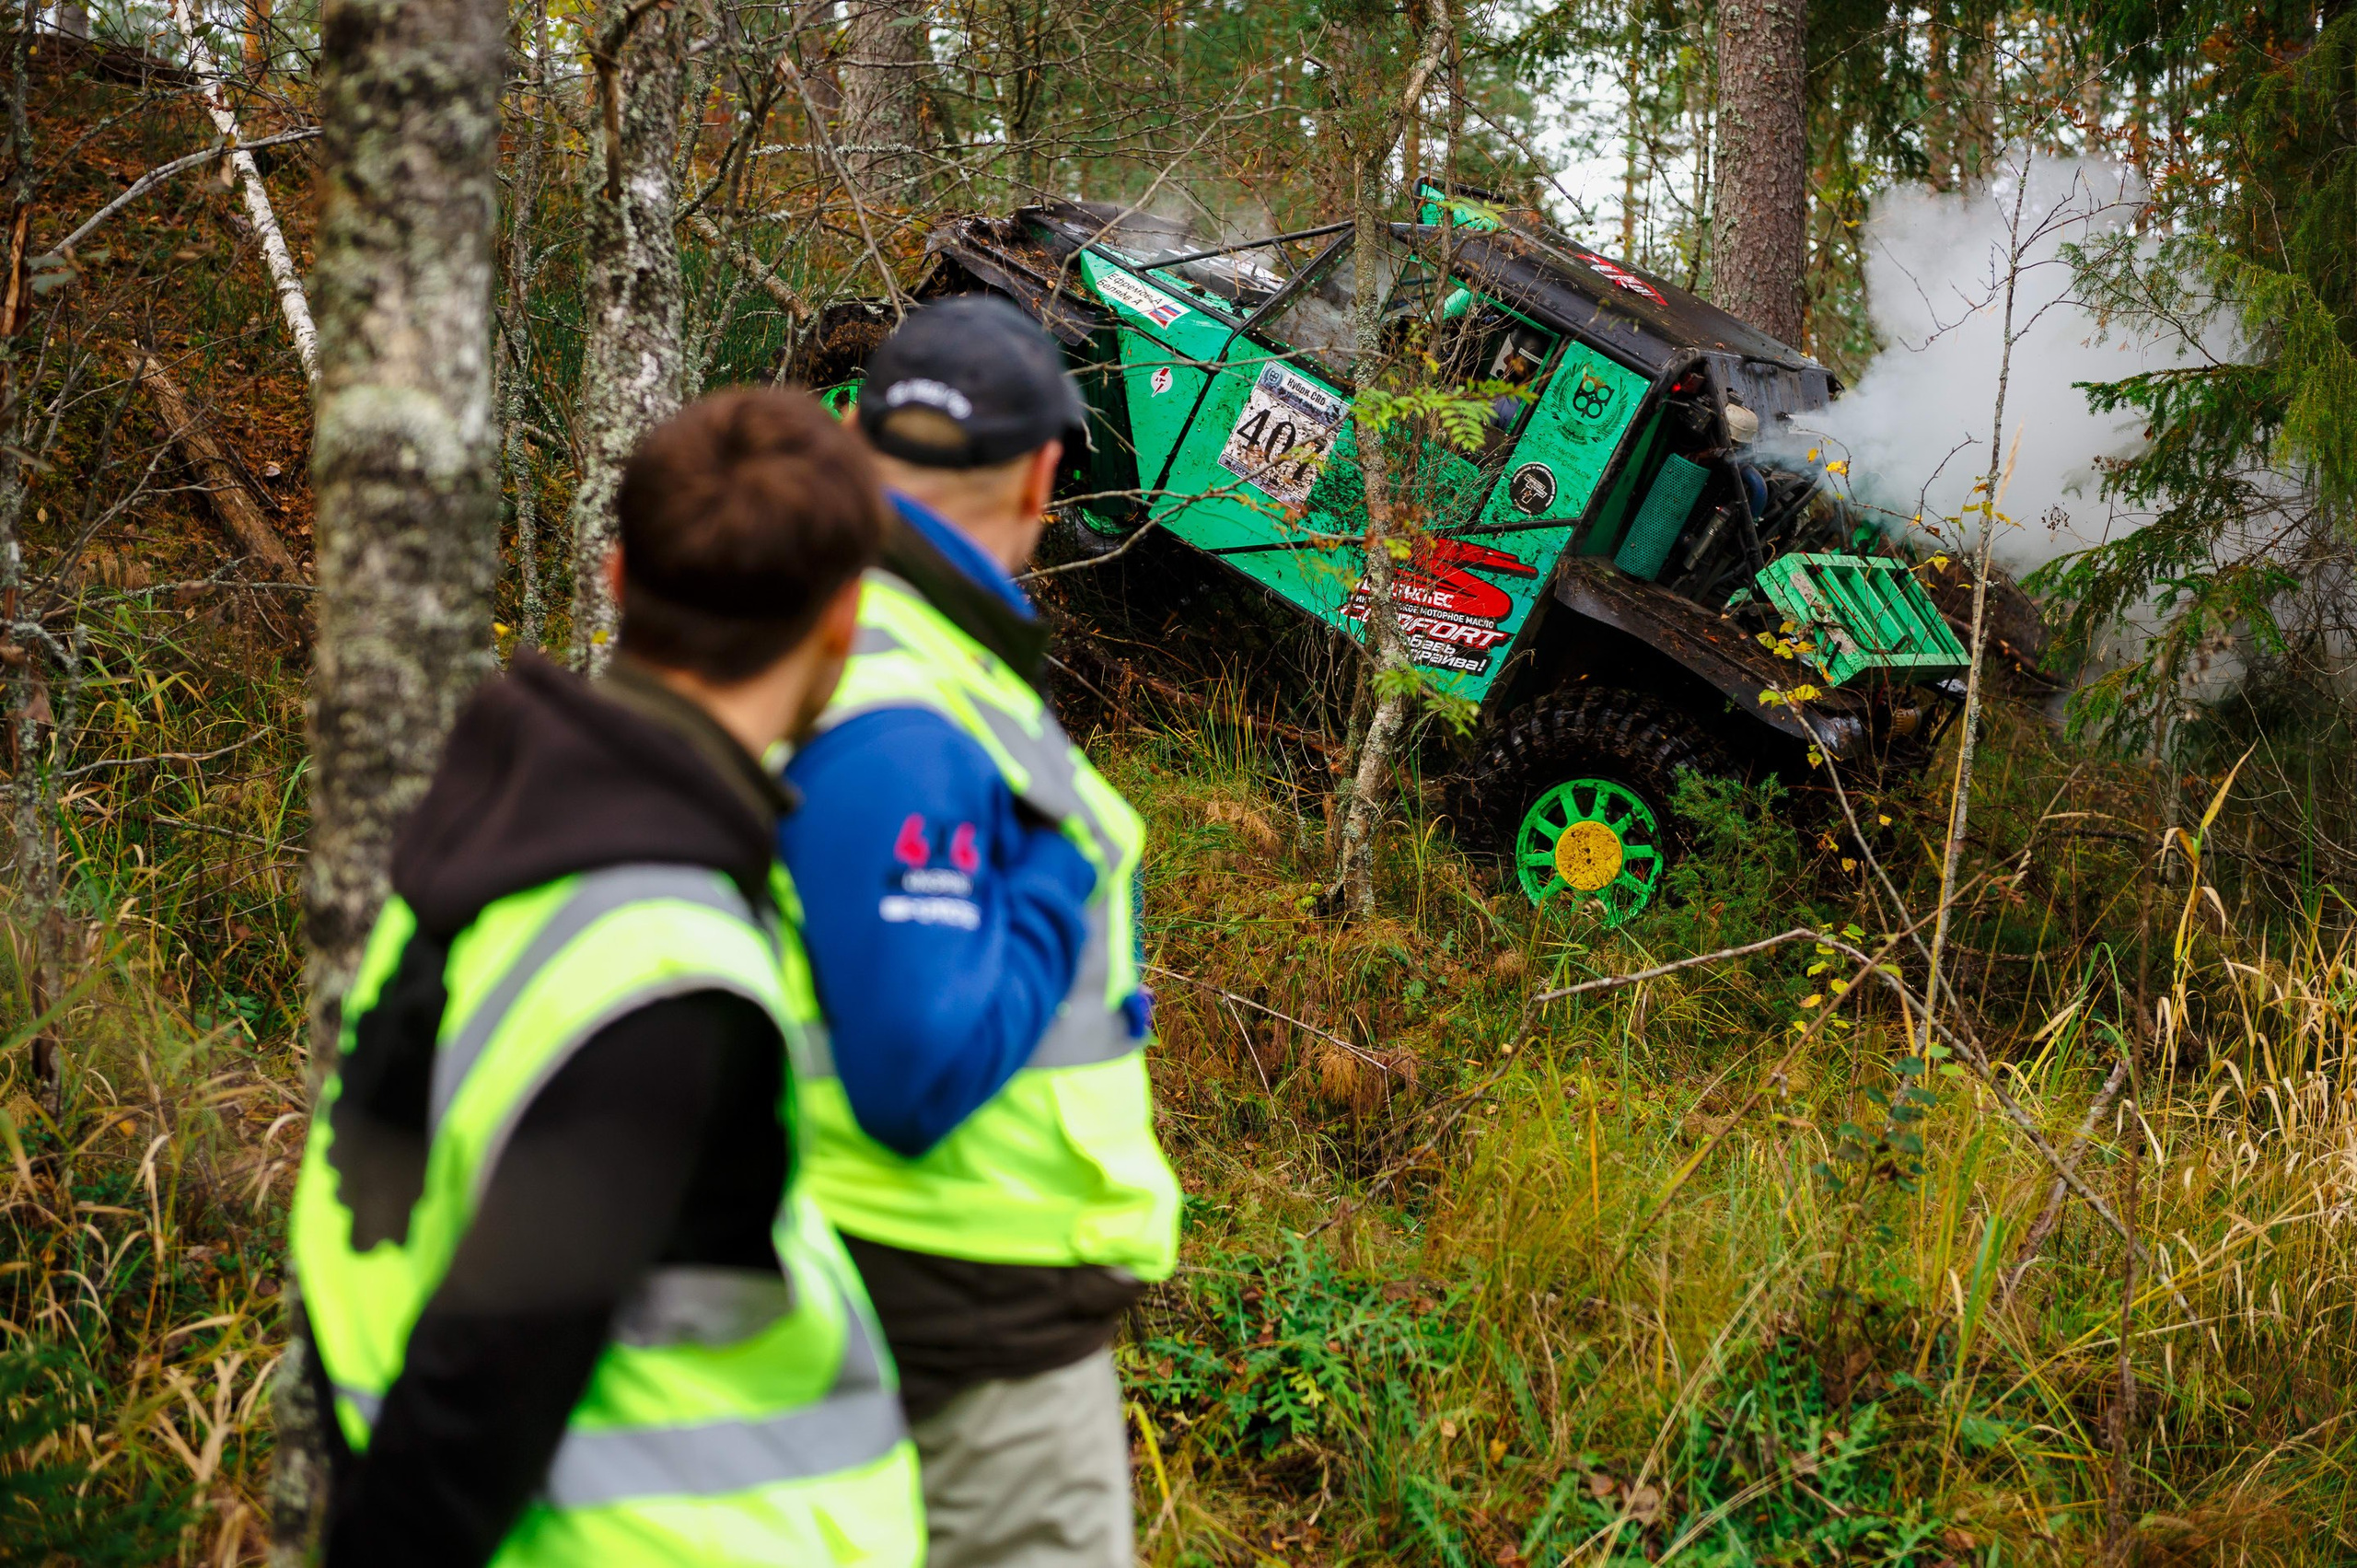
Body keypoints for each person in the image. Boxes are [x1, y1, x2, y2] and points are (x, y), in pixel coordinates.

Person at [288, 389, 924, 1568]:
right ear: (843, 622)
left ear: (618, 571)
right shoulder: (665, 970)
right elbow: (480, 1388)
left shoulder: (510, 822)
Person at [776, 296, 1182, 1568]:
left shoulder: (861, 628)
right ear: (1047, 475)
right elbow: (911, 1065)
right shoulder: (900, 694)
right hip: (964, 1311)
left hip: (907, 1284)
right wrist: (1060, 878)